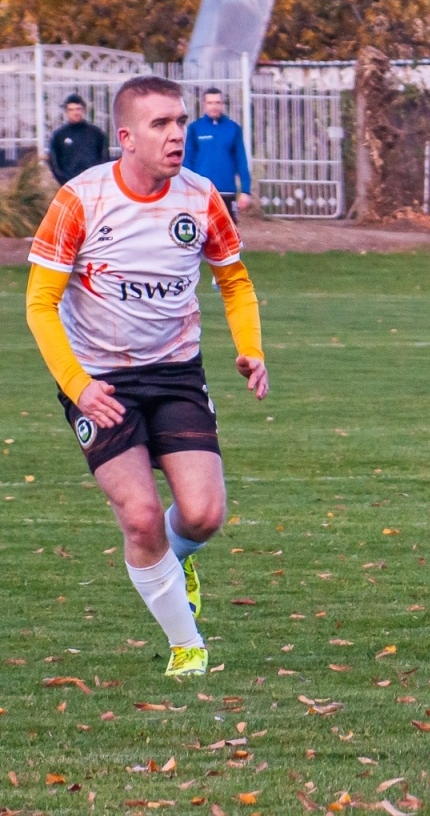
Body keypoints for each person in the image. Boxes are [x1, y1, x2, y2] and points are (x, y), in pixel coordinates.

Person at [25, 75, 269, 679]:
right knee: (138, 515)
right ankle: (188, 646)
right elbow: (38, 304)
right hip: (100, 382)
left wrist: (250, 348)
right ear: (127, 137)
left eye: (181, 122)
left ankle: (170, 556)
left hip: (177, 372)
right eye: (161, 124)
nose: (177, 134)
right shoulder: (81, 199)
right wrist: (78, 385)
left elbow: (233, 281)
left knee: (204, 514)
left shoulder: (201, 197)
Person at [182, 88, 252, 221]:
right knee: (201, 233)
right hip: (201, 192)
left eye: (217, 102)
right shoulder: (195, 128)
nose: (214, 106)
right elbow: (187, 161)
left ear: (223, 104)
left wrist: (245, 191)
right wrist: (187, 188)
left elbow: (241, 160)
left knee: (227, 235)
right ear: (204, 104)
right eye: (210, 103)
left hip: (226, 191)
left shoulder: (233, 128)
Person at [48, 94, 109, 185]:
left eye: (78, 109)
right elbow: (54, 162)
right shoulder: (59, 136)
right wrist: (64, 181)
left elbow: (104, 158)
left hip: (94, 184)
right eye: (71, 110)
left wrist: (98, 178)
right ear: (66, 112)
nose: (75, 113)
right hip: (70, 185)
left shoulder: (96, 133)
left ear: (83, 110)